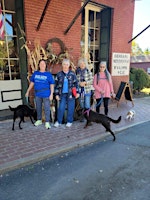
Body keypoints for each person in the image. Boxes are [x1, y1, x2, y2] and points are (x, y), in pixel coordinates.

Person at [25, 59, 55, 129]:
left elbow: (52, 84)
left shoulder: (48, 74)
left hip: (46, 93)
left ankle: (47, 122)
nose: (42, 65)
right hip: (38, 94)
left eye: (43, 64)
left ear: (45, 65)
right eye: (41, 64)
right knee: (38, 107)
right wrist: (27, 91)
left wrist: (51, 94)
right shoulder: (36, 73)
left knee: (47, 108)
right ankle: (39, 120)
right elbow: (32, 83)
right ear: (39, 65)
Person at [54, 58, 79, 128]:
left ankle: (69, 121)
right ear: (62, 65)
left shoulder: (72, 74)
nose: (65, 66)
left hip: (71, 94)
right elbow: (56, 86)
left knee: (71, 108)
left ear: (69, 65)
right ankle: (59, 121)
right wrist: (56, 94)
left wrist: (77, 92)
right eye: (64, 64)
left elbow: (76, 84)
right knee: (61, 108)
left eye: (67, 64)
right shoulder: (59, 74)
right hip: (62, 94)